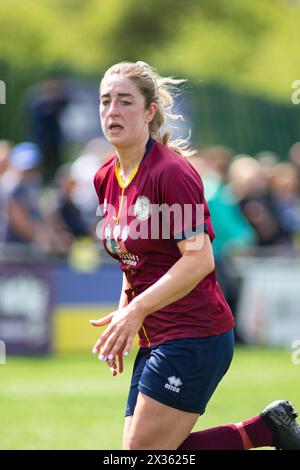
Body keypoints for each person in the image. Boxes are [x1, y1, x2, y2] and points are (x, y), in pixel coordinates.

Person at [90, 61, 300, 450]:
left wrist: (136, 312)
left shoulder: (170, 172)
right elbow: (132, 258)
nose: (112, 111)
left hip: (196, 332)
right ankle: (267, 429)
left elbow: (199, 259)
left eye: (125, 101)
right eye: (105, 101)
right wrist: (124, 316)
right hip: (159, 335)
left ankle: (267, 430)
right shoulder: (105, 177)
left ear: (150, 111)